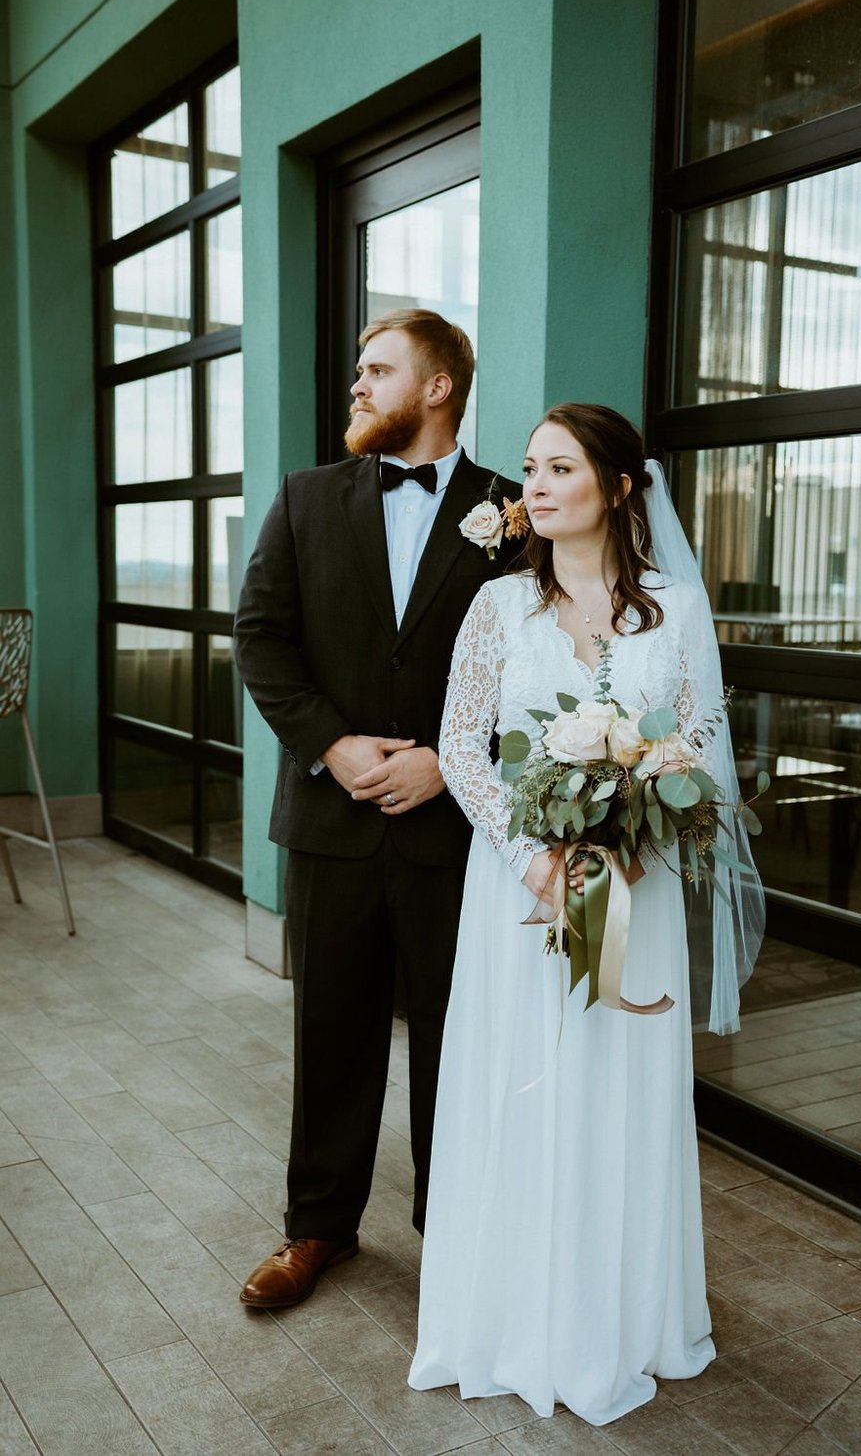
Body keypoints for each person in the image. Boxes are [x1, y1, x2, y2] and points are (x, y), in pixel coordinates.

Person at [408, 403, 765, 1424]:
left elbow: (692, 739)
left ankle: (620, 1317)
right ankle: (509, 1317)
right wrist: (532, 859)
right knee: (519, 1081)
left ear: (616, 486)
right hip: (519, 890)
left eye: (561, 467)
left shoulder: (674, 608)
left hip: (630, 889)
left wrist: (629, 833)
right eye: (529, 468)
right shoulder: (495, 611)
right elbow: (461, 748)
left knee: (610, 1077)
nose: (538, 484)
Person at [233, 308, 522, 1310]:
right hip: (334, 824)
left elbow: (542, 671)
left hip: (457, 830)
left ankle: (454, 1235)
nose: (357, 386)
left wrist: (452, 762)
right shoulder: (306, 499)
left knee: (460, 1036)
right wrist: (330, 745)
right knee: (332, 1033)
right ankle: (316, 1230)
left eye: (377, 370)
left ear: (438, 387)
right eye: (359, 371)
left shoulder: (515, 512)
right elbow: (260, 639)